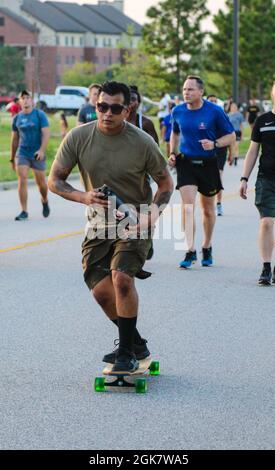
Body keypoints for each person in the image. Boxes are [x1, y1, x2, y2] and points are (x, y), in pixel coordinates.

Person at [48, 81, 173, 373]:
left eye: (115, 108)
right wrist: (83, 196)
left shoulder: (142, 142)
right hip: (99, 223)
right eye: (102, 106)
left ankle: (126, 353)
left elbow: (166, 182)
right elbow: (55, 179)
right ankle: (136, 343)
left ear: (127, 109)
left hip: (135, 220)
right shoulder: (78, 137)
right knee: (100, 292)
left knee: (121, 278)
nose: (107, 113)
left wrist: (151, 216)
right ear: (96, 105)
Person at [169, 75, 235, 268]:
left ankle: (206, 245)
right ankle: (190, 249)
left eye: (190, 89)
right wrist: (173, 153)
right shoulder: (178, 111)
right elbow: (175, 132)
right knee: (187, 207)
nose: (186, 93)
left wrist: (214, 143)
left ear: (201, 92)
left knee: (207, 210)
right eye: (184, 89)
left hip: (208, 164)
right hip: (186, 163)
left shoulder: (214, 111)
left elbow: (230, 136)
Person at [239, 79, 275, 285]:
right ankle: (266, 267)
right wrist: (244, 178)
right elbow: (253, 151)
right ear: (272, 94)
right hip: (267, 179)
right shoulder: (263, 121)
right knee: (266, 222)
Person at [127, 85, 159, 264]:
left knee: (142, 208)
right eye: (128, 100)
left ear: (138, 102)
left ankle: (147, 238)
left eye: (134, 100)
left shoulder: (145, 123)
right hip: (121, 172)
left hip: (141, 172)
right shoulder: (117, 120)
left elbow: (155, 148)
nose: (131, 103)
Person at [10, 90, 50, 221]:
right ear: (20, 101)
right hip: (22, 153)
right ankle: (24, 211)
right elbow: (14, 139)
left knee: (42, 184)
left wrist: (42, 150)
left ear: (32, 100)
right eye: (23, 98)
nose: (26, 100)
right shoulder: (17, 118)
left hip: (37, 153)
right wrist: (12, 158)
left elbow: (46, 134)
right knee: (22, 179)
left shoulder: (40, 115)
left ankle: (44, 200)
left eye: (28, 97)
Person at [207, 94, 233, 216]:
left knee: (217, 177)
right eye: (210, 101)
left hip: (220, 149)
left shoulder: (222, 115)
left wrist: (232, 153)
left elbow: (230, 136)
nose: (212, 102)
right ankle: (208, 204)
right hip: (206, 150)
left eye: (214, 101)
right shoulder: (202, 116)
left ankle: (218, 204)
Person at [228, 102, 245, 166]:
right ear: (230, 108)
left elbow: (241, 125)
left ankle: (235, 159)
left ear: (237, 108)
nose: (234, 108)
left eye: (235, 107)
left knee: (236, 146)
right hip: (230, 133)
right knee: (231, 147)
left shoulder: (239, 115)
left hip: (237, 132)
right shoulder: (228, 115)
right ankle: (231, 157)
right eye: (232, 107)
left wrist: (242, 135)